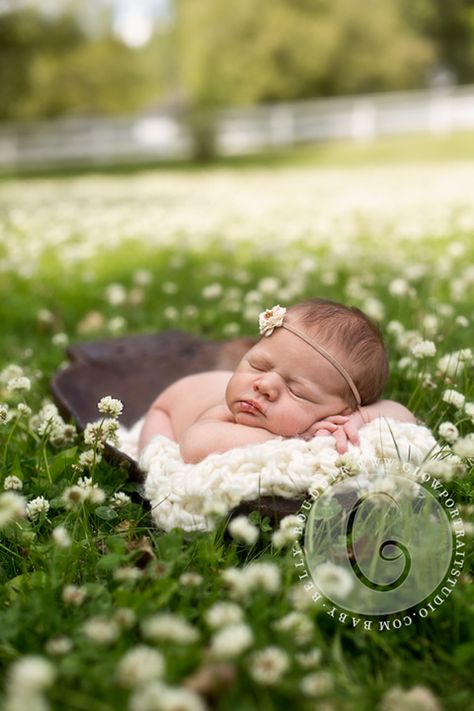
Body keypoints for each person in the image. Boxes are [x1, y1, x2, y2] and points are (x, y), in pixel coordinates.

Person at [138, 299, 416, 463]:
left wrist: (360, 420)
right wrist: (294, 438)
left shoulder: (343, 418)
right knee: (155, 459)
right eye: (257, 365)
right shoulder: (224, 413)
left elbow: (404, 417)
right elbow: (194, 445)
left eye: (296, 390)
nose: (264, 385)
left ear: (340, 410)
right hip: (170, 406)